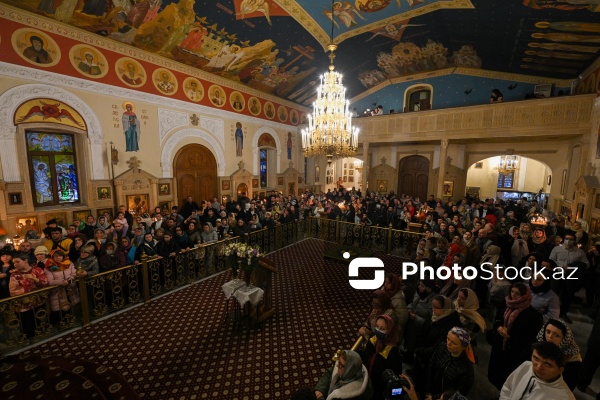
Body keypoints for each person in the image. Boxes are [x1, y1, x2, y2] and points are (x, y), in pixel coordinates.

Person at [487, 282, 544, 390]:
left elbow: (530, 337)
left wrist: (512, 337)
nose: (513, 295)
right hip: (500, 347)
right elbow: (497, 320)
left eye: (517, 293)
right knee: (497, 376)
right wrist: (498, 327)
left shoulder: (533, 315)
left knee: (509, 380)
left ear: (524, 295)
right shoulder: (505, 305)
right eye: (512, 291)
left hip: (515, 352)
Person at [500, 341, 575, 400]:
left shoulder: (565, 397)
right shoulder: (526, 366)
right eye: (536, 358)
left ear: (560, 370)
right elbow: (508, 387)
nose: (539, 367)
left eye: (547, 364)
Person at [359, 314, 402, 400]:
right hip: (366, 381)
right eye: (377, 327)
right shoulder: (373, 339)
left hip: (379, 390)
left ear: (389, 331)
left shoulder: (393, 353)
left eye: (382, 329)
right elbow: (366, 355)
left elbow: (395, 380)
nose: (378, 330)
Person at [425, 327, 475, 400]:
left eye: (454, 343)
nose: (448, 343)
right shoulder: (441, 347)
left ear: (463, 347)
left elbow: (458, 394)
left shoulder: (466, 370)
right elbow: (430, 368)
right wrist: (428, 391)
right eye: (448, 339)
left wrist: (434, 398)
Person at [536, 318, 581, 390]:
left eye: (556, 335)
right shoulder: (537, 347)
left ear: (564, 339)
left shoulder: (572, 361)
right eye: (548, 332)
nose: (550, 337)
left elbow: (567, 387)